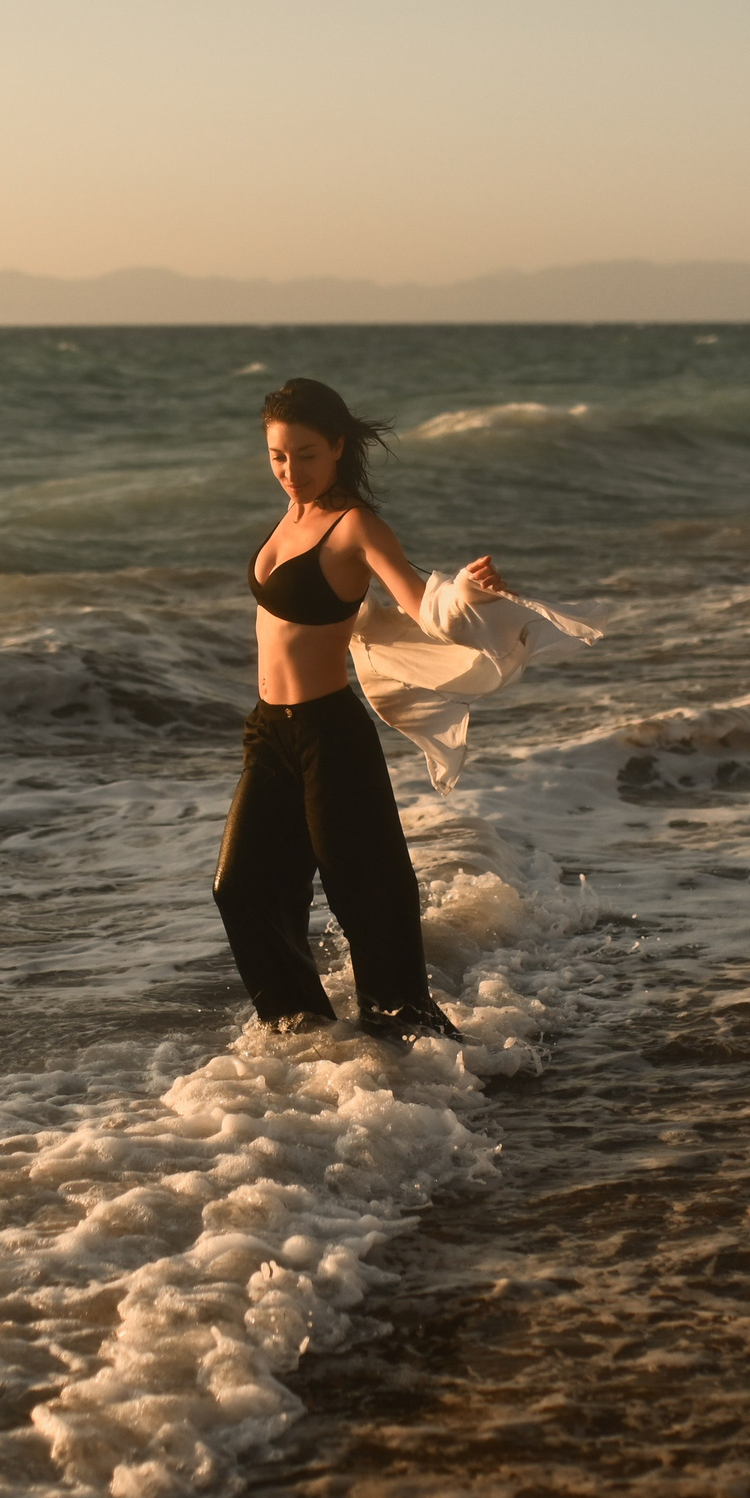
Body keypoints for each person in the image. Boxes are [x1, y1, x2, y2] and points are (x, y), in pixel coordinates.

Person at [212, 377, 504, 1041]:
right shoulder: (292, 517)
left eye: (307, 455)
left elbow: (421, 604)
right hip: (268, 733)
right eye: (279, 456)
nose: (291, 471)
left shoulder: (356, 527)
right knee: (243, 888)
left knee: (364, 897)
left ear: (339, 446)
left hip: (327, 733)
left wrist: (466, 594)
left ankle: (410, 1040)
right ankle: (304, 1035)